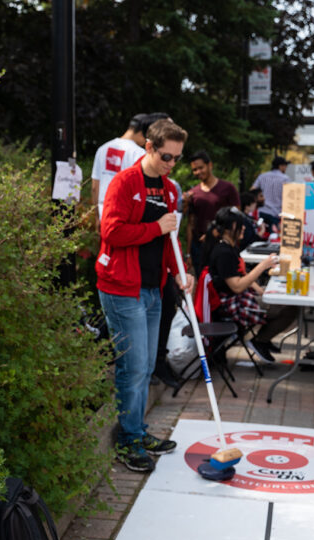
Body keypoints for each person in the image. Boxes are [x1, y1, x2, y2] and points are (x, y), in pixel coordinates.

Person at [96, 118, 193, 473]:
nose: (171, 164)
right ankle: (128, 441)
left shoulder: (167, 189)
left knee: (147, 366)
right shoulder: (125, 182)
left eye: (177, 158)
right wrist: (156, 227)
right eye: (167, 156)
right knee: (133, 368)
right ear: (149, 148)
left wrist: (180, 274)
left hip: (153, 288)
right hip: (122, 288)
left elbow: (169, 240)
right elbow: (110, 231)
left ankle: (137, 431)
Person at [205, 207, 298, 363]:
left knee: (284, 303)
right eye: (239, 225)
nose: (243, 228)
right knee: (290, 308)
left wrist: (262, 292)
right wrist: (263, 265)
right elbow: (237, 286)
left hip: (238, 299)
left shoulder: (230, 247)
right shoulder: (224, 253)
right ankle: (260, 341)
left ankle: (263, 340)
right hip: (232, 306)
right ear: (227, 229)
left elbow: (242, 274)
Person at [184, 150, 239, 271]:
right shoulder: (193, 193)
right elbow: (190, 224)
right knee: (203, 283)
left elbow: (237, 218)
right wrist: (188, 253)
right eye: (194, 170)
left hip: (222, 246)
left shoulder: (228, 188)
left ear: (210, 165)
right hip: (199, 248)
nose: (198, 172)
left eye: (201, 168)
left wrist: (217, 233)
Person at [90, 114, 147, 222]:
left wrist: (97, 216)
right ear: (141, 133)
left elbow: (94, 187)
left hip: (104, 210)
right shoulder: (139, 153)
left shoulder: (103, 148)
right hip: (125, 214)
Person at [250, 155, 292, 231]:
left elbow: (252, 190)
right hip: (275, 214)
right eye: (285, 166)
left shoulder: (262, 176)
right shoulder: (285, 179)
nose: (286, 168)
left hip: (261, 212)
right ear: (280, 166)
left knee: (259, 233)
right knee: (273, 237)